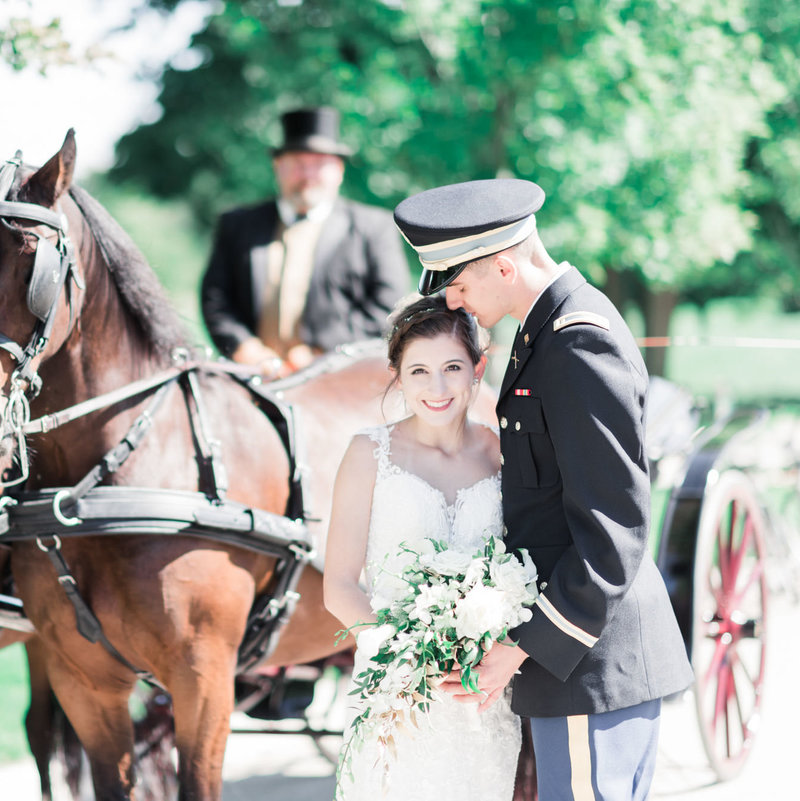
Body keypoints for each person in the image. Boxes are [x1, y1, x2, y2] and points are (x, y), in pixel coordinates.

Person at [394, 178, 693, 800]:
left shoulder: (576, 341)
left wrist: (521, 647)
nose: (453, 300)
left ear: (503, 264)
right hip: (581, 665)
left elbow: (613, 534)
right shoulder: (546, 333)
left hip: (593, 665)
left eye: (459, 281)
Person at [323, 294, 521, 801]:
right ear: (397, 374)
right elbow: (339, 584)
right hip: (396, 688)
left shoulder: (505, 452)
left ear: (478, 368)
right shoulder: (368, 453)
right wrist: (404, 654)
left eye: (452, 367)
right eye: (418, 372)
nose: (437, 388)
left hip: (483, 691)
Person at [200, 107, 411, 374]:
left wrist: (322, 350)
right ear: (278, 167)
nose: (307, 175)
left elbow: (388, 304)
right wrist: (243, 347)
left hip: (340, 379)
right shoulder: (237, 224)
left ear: (339, 170)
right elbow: (215, 297)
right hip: (254, 378)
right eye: (298, 164)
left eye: (319, 164)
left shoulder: (373, 227)